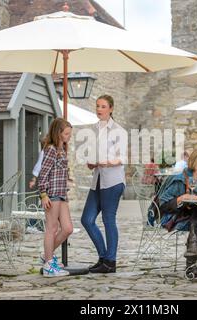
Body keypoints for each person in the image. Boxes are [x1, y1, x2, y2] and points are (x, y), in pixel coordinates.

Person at [81, 94, 126, 274]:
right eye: (98, 106)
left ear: (111, 109)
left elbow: (122, 158)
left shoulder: (119, 131)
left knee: (108, 220)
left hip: (113, 182)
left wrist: (104, 161)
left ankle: (111, 262)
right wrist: (91, 162)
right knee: (87, 219)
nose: (99, 109)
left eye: (103, 106)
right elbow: (91, 157)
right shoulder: (93, 130)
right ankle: (103, 257)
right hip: (97, 180)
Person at [158, 149, 197, 278]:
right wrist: (183, 197)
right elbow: (163, 204)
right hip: (170, 217)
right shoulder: (180, 179)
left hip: (189, 215)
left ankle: (192, 257)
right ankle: (192, 257)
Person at [38, 118, 73, 277]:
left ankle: (47, 256)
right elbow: (42, 174)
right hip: (52, 194)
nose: (68, 136)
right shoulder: (51, 149)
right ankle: (48, 265)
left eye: (69, 134)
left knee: (67, 229)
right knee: (51, 229)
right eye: (66, 133)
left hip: (62, 195)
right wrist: (43, 195)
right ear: (58, 133)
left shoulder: (62, 149)